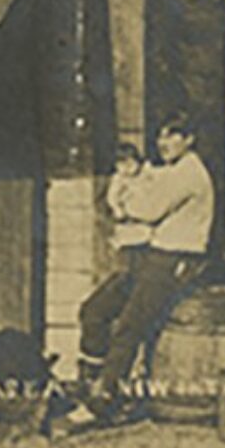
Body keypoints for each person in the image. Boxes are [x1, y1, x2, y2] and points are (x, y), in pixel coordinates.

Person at [66, 113, 215, 427]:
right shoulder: (169, 172)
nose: (164, 143)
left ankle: (102, 402)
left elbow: (147, 209)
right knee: (94, 309)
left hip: (175, 259)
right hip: (149, 255)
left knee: (129, 326)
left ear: (189, 140)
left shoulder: (189, 173)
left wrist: (125, 200)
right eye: (160, 136)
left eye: (173, 136)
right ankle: (89, 384)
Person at [76, 142, 152, 383]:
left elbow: (152, 209)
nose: (127, 168)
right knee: (92, 311)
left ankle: (109, 381)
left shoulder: (153, 180)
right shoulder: (117, 182)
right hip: (126, 258)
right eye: (121, 163)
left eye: (131, 162)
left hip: (147, 258)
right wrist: (117, 214)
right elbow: (110, 205)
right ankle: (93, 374)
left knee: (127, 325)